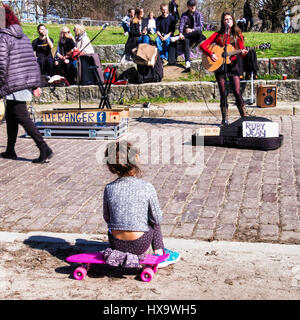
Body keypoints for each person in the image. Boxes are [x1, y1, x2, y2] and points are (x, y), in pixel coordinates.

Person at [103, 141, 180, 268]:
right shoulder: (146, 187)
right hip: (140, 244)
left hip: (116, 244)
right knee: (153, 220)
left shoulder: (109, 188)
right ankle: (159, 253)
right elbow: (157, 218)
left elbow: (107, 217)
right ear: (136, 159)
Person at [0, 4, 53, 163]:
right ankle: (10, 149)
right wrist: (35, 84)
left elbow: (1, 64)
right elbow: (32, 61)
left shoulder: (3, 37)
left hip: (12, 82)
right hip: (22, 82)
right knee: (11, 116)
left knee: (23, 117)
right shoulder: (22, 36)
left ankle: (44, 148)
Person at [200, 12, 248, 126]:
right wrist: (211, 54)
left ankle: (244, 117)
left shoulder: (238, 34)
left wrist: (243, 53)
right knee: (223, 92)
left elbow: (241, 52)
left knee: (237, 91)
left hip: (233, 65)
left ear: (233, 21)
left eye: (230, 19)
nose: (228, 21)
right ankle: (224, 119)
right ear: (223, 21)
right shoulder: (218, 35)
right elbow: (202, 45)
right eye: (226, 19)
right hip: (220, 67)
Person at [173, 0, 204, 72]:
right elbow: (181, 25)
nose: (193, 7)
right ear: (188, 6)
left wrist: (192, 30)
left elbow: (201, 27)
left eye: (194, 5)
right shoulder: (184, 15)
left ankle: (180, 37)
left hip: (195, 35)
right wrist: (180, 32)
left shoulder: (199, 14)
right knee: (186, 40)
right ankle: (187, 63)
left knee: (199, 32)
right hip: (187, 37)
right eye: (191, 5)